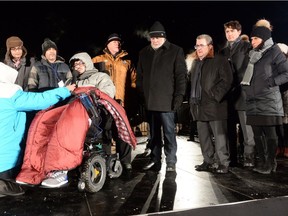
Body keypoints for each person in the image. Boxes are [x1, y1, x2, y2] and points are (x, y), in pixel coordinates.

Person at [36, 52, 116, 187]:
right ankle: (42, 166)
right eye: (74, 64)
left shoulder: (100, 77)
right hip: (70, 112)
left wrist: (90, 92)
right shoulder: (71, 81)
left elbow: (108, 93)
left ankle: (62, 170)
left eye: (80, 63)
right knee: (43, 121)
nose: (77, 66)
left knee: (67, 126)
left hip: (92, 114)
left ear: (87, 63)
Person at [0, 62, 75, 196]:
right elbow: (41, 100)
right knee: (22, 186)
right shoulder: (11, 96)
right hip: (6, 162)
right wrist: (65, 90)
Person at [137, 21, 187, 172]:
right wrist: (142, 96)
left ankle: (171, 161)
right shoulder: (144, 53)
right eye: (153, 37)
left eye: (159, 37)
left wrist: (179, 97)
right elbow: (140, 77)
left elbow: (181, 76)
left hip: (168, 102)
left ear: (164, 37)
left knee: (169, 133)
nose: (156, 40)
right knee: (153, 135)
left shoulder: (176, 51)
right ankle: (154, 159)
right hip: (151, 102)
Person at [241, 23, 288, 174]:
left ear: (264, 39)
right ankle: (261, 162)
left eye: (255, 38)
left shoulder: (274, 51)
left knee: (270, 134)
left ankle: (270, 163)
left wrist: (271, 82)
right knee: (256, 134)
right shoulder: (252, 53)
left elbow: (286, 73)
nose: (252, 41)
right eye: (252, 38)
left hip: (268, 100)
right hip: (253, 100)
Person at [92, 33, 137, 170]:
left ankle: (125, 161)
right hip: (104, 103)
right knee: (106, 132)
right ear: (107, 45)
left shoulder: (127, 61)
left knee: (123, 132)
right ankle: (105, 160)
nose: (117, 44)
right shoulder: (97, 60)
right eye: (113, 42)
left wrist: (133, 99)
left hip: (122, 103)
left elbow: (134, 82)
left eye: (118, 42)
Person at [190, 34, 233, 174]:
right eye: (197, 45)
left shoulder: (220, 60)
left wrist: (215, 95)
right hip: (199, 105)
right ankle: (207, 160)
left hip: (215, 105)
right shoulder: (196, 62)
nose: (199, 48)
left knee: (220, 136)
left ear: (210, 46)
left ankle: (223, 162)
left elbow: (227, 80)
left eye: (202, 45)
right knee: (203, 136)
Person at [219, 20, 255, 167]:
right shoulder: (222, 51)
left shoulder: (247, 47)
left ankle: (249, 158)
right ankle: (232, 158)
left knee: (247, 131)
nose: (229, 34)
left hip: (243, 94)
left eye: (232, 31)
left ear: (239, 32)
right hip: (228, 96)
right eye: (227, 31)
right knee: (229, 130)